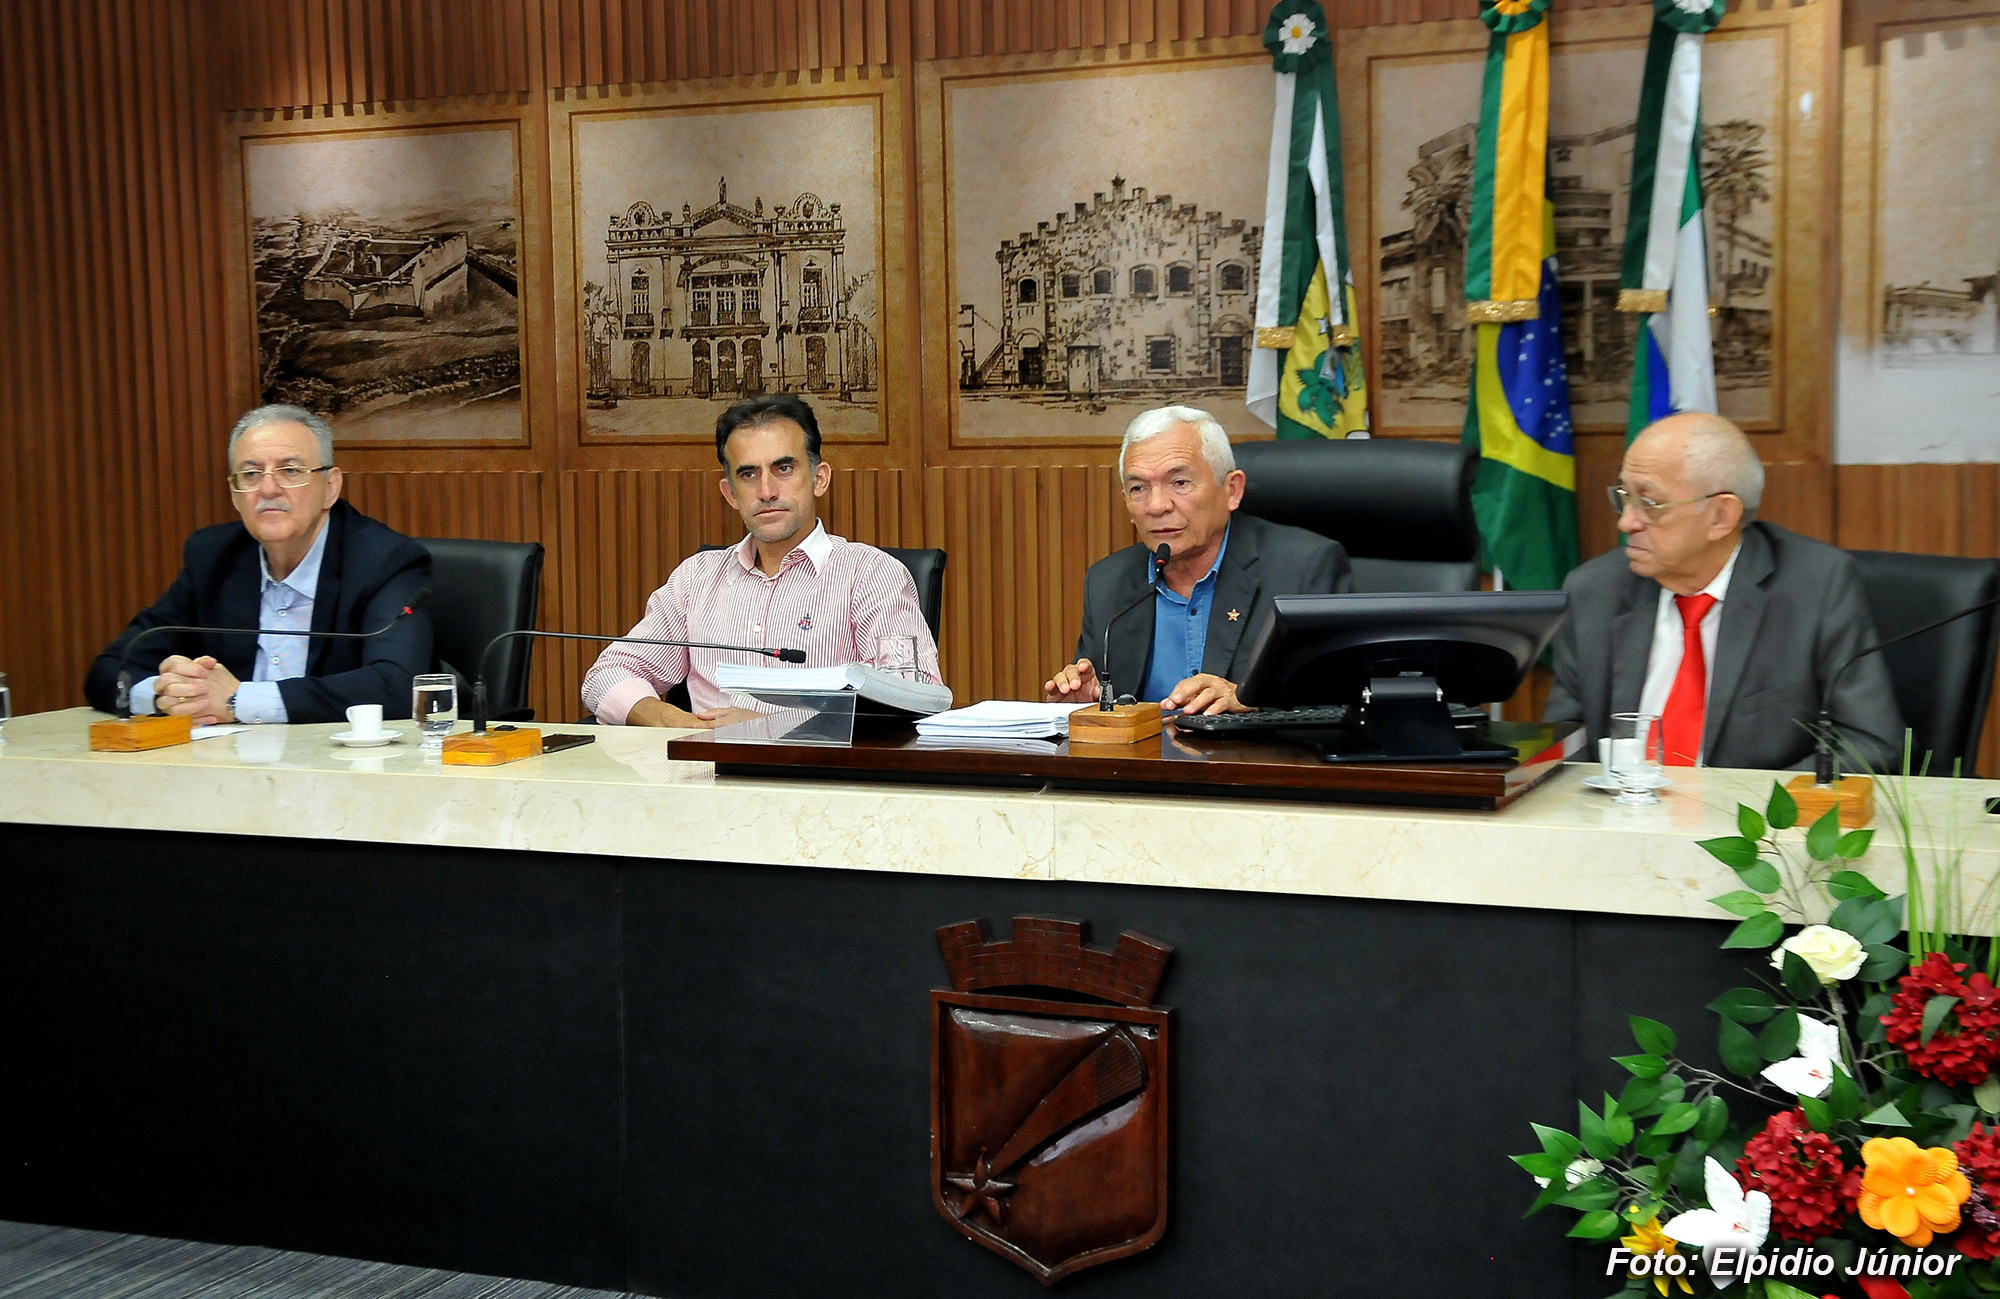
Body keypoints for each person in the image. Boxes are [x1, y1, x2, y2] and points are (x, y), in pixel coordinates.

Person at [1545, 411, 1902, 770]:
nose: (1626, 521)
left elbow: (1868, 742)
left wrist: (1757, 814)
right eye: (1624, 496)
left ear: (1721, 516)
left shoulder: (1816, 586)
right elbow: (1567, 741)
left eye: (1649, 503)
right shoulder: (1595, 590)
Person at [582, 393, 942, 728]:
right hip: (707, 779)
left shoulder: (870, 575)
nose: (767, 491)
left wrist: (767, 727)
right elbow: (607, 675)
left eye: (783, 469)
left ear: (819, 479)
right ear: (730, 494)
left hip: (821, 783)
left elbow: (913, 699)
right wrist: (672, 720)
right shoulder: (696, 580)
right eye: (749, 474)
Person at [83, 405, 433, 724]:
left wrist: (240, 700)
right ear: (235, 495)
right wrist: (170, 695)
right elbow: (111, 669)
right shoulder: (213, 557)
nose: (268, 488)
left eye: (290, 470)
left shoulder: (383, 559)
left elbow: (400, 684)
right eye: (250, 474)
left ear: (330, 486)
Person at [1043, 405, 1353, 716]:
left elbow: (1341, 698)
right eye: (1138, 488)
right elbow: (1099, 702)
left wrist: (1252, 699)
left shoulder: (1303, 568)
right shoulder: (1107, 583)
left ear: (1232, 490)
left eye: (1179, 483)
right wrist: (1086, 704)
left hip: (1252, 762)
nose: (1156, 505)